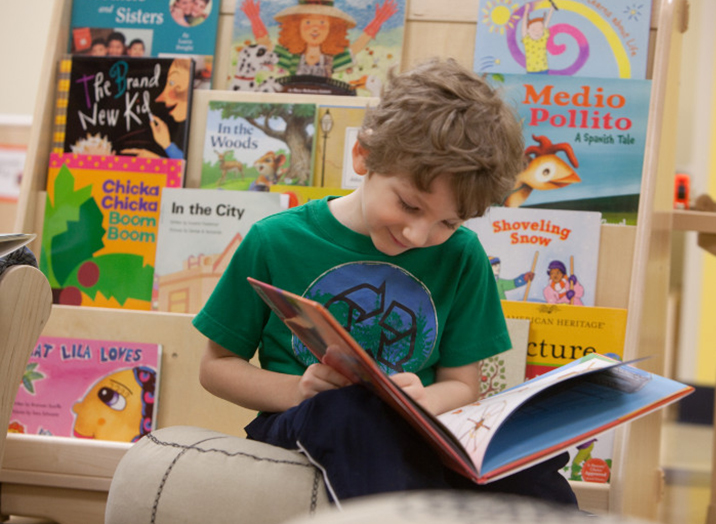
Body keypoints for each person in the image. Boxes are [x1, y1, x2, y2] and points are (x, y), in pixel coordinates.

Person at [193, 58, 578, 508]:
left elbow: (462, 386)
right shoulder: (275, 240)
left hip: (418, 429)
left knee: (530, 464)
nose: (419, 236)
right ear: (364, 155)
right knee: (352, 412)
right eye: (410, 206)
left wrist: (426, 400)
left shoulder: (463, 256)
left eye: (447, 222)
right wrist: (296, 391)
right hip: (309, 419)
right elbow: (215, 367)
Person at [241, 0, 396, 78]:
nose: (315, 28)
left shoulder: (333, 60)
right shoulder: (290, 58)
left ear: (333, 30)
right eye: (308, 22)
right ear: (296, 28)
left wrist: (377, 22)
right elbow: (265, 43)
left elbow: (356, 48)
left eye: (322, 23)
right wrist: (254, 18)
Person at [521, 2, 554, 74]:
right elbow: (523, 27)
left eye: (540, 29)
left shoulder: (542, 39)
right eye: (533, 29)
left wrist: (551, 11)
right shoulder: (527, 40)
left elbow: (546, 24)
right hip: (531, 71)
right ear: (528, 30)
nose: (537, 32)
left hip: (544, 70)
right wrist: (526, 11)